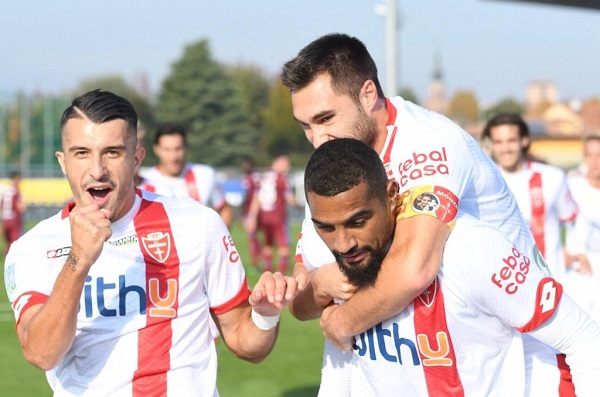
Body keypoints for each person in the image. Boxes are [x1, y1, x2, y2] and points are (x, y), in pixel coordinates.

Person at [280, 33, 565, 395]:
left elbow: (413, 270)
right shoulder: (334, 169)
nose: (317, 139)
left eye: (325, 118)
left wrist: (343, 321)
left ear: (368, 95)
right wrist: (318, 284)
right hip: (415, 364)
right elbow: (307, 293)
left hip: (512, 364)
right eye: (305, 125)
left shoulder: (428, 142)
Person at [3, 90, 298, 396]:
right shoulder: (33, 248)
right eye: (82, 153)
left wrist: (265, 315)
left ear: (136, 159)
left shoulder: (197, 224)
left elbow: (245, 342)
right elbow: (40, 353)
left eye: (112, 152)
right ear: (63, 162)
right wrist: (79, 259)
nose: (97, 169)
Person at [303, 138, 600, 396]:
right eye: (326, 227)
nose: (342, 244)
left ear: (391, 195)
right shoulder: (345, 267)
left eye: (358, 221)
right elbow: (342, 374)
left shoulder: (469, 249)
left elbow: (584, 340)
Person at [482, 113, 578, 282]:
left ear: (524, 140)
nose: (505, 149)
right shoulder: (484, 182)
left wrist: (573, 250)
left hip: (550, 279)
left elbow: (571, 220)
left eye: (511, 141)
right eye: (498, 142)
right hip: (504, 283)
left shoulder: (553, 177)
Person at [139, 122, 234, 228]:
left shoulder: (205, 175)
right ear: (156, 149)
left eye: (178, 149)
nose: (173, 157)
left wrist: (218, 239)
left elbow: (225, 210)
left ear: (186, 148)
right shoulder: (144, 181)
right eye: (167, 150)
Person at [563, 135, 600, 323]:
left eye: (599, 155)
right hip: (578, 270)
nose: (595, 161)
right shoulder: (571, 186)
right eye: (590, 155)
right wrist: (562, 251)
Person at [247, 154, 297, 274]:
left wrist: (252, 216)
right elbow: (290, 199)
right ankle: (281, 273)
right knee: (284, 247)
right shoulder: (281, 179)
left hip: (264, 217)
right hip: (278, 217)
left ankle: (267, 271)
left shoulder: (264, 177)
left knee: (267, 244)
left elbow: (256, 197)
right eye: (285, 163)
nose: (288, 166)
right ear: (277, 162)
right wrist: (302, 205)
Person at [241, 156, 262, 270]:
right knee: (254, 238)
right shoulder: (253, 177)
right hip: (253, 211)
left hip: (252, 211)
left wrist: (250, 214)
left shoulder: (250, 178)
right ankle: (257, 262)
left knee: (252, 238)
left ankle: (256, 264)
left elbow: (251, 196)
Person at [1, 170, 26, 256]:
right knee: (16, 241)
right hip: (14, 219)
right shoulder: (16, 192)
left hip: (5, 219)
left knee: (7, 241)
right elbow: (20, 207)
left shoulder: (5, 190)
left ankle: (5, 258)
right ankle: (14, 258)